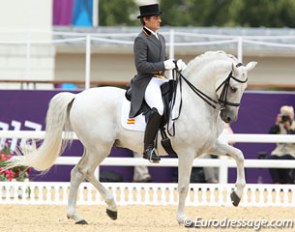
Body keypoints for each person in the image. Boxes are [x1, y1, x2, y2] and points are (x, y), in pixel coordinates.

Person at [128, 3, 186, 163]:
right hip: (146, 81)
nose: (159, 20)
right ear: (146, 20)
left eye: (159, 17)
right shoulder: (141, 39)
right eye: (155, 18)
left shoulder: (160, 38)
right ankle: (148, 148)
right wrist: (164, 65)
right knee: (159, 108)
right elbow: (141, 66)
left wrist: (174, 63)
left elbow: (164, 59)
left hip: (161, 79)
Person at [268, 105, 295, 184]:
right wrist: (277, 124)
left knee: (285, 159)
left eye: (287, 115)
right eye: (283, 114)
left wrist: (289, 128)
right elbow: (270, 135)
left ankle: (287, 182)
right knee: (272, 159)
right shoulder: (279, 126)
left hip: (292, 151)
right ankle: (276, 182)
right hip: (278, 151)